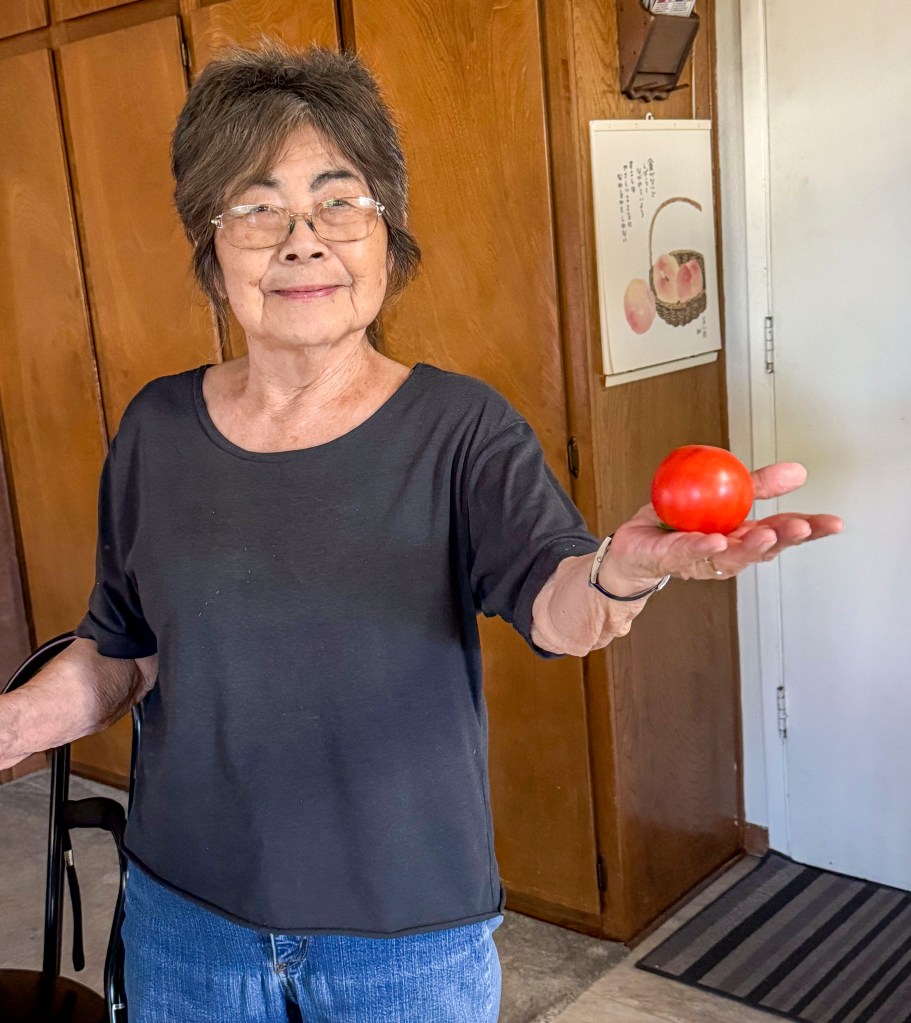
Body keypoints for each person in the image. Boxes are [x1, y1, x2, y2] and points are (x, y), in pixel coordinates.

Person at [0, 41, 842, 1023]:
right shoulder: (156, 428)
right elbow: (124, 650)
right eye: (256, 209)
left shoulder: (459, 427)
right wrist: (15, 722)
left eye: (339, 203)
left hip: (401, 940)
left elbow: (556, 606)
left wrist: (619, 572)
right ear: (210, 246)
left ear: (386, 235)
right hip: (185, 919)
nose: (301, 242)